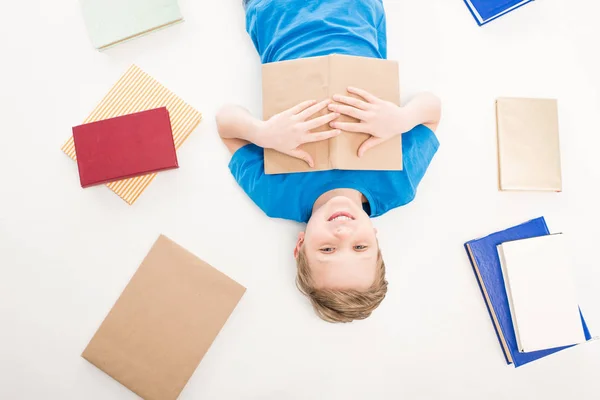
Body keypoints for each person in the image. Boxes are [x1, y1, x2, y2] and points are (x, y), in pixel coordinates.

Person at [216, 0, 441, 322]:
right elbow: (432, 110)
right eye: (360, 247)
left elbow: (226, 124)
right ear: (376, 239)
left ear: (301, 246)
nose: (343, 232)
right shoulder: (397, 185)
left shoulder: (276, 196)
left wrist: (262, 133)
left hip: (275, 12)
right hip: (357, 10)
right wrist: (404, 118)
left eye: (327, 250)